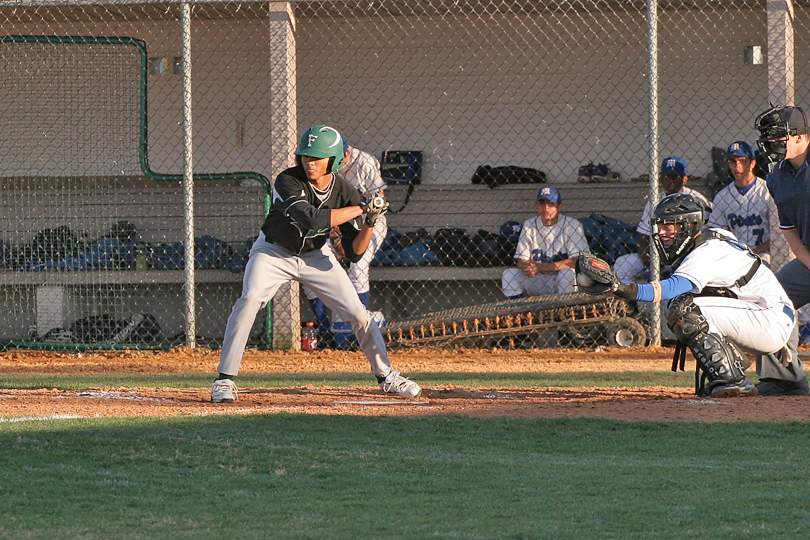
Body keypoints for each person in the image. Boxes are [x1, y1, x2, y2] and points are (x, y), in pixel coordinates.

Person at [211, 125, 421, 402]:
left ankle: (387, 376)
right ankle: (225, 380)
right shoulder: (288, 180)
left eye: (317, 158)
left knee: (358, 314)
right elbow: (311, 219)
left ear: (333, 162)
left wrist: (369, 223)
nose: (309, 162)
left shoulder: (344, 190)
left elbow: (353, 252)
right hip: (273, 252)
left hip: (314, 255)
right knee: (250, 300)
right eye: (306, 156)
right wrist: (363, 207)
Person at [578, 192, 805, 397]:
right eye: (661, 227)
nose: (663, 233)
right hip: (767, 314)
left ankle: (732, 380)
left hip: (768, 320)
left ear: (688, 225)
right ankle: (732, 374)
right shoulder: (713, 235)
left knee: (683, 309)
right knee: (687, 303)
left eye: (670, 226)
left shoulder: (707, 252)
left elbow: (673, 287)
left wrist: (622, 289)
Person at [304, 141, 388, 344]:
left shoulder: (364, 161)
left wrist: (364, 214)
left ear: (347, 152)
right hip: (334, 222)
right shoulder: (321, 165)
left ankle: (361, 331)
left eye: (338, 158)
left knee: (357, 267)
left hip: (369, 221)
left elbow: (381, 199)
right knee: (311, 261)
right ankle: (324, 330)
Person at [754, 105, 810, 395]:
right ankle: (785, 378)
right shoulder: (776, 178)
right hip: (808, 260)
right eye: (768, 136)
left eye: (778, 136)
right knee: (772, 298)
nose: (770, 143)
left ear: (801, 137)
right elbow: (790, 232)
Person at [614, 157, 710, 284]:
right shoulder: (655, 200)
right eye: (666, 176)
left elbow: (704, 237)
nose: (670, 181)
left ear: (685, 178)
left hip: (688, 255)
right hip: (659, 256)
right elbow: (643, 237)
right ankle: (631, 303)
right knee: (623, 264)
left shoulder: (698, 200)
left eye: (675, 176)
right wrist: (650, 263)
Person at [501, 186, 588, 299]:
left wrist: (541, 267)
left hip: (562, 280)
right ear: (537, 207)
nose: (546, 207)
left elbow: (576, 262)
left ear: (560, 207)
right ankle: (519, 312)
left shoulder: (572, 225)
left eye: (551, 203)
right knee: (509, 274)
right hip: (538, 278)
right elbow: (521, 260)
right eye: (542, 203)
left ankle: (564, 311)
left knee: (567, 274)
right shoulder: (529, 224)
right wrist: (528, 267)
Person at [708, 141, 777, 266]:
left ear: (752, 163)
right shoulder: (723, 197)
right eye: (732, 161)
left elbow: (777, 235)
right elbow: (716, 234)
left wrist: (753, 253)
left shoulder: (767, 191)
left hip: (766, 253)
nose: (737, 166)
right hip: (734, 255)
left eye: (742, 161)